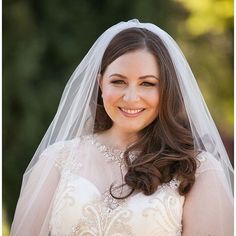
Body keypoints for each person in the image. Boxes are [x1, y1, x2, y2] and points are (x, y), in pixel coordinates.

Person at [10, 19, 233, 236]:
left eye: (147, 83)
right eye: (118, 82)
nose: (131, 97)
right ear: (100, 84)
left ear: (167, 89)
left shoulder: (198, 170)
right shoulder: (57, 160)